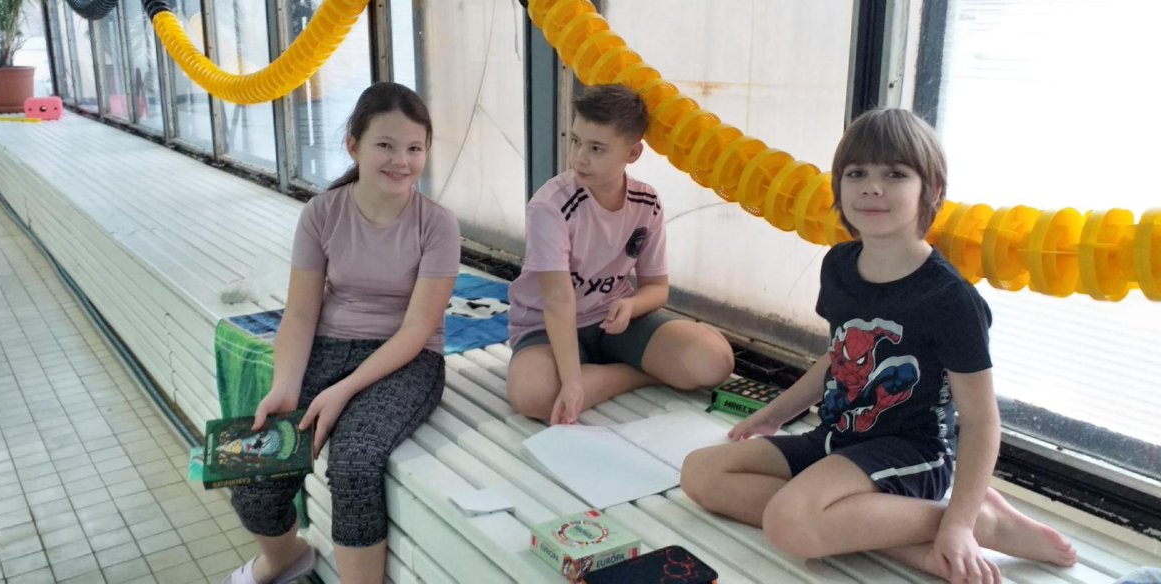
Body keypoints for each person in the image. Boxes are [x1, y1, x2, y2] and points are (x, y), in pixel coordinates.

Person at [680, 108, 1076, 584]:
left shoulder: (950, 300)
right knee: (701, 473)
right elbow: (837, 358)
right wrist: (775, 414)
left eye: (894, 174)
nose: (871, 187)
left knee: (790, 521)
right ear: (838, 187)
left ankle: (976, 521)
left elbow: (982, 421)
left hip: (911, 453)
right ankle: (921, 545)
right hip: (839, 438)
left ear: (932, 191)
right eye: (856, 173)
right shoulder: (839, 266)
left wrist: (960, 521)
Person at [223, 82, 460, 584]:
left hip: (407, 359)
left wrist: (343, 390)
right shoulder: (322, 213)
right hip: (328, 347)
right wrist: (286, 387)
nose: (402, 161)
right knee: (255, 471)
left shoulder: (438, 225)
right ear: (353, 146)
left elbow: (417, 329)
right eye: (385, 145)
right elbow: (300, 314)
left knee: (354, 464)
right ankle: (285, 558)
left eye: (414, 148)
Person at [505, 84, 734, 426]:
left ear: (633, 153)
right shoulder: (550, 207)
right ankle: (640, 374)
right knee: (534, 396)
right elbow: (558, 301)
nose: (579, 158)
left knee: (715, 360)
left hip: (614, 324)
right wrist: (571, 382)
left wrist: (631, 305)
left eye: (596, 148)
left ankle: (607, 374)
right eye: (576, 141)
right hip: (547, 326)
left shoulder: (646, 203)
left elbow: (657, 287)